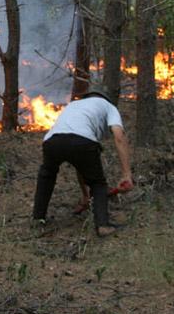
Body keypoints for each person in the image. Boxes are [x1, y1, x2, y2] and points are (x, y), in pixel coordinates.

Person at [32, 87, 132, 237]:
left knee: (47, 175)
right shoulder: (109, 106)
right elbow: (119, 136)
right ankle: (103, 226)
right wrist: (126, 174)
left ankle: (38, 218)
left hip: (52, 140)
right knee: (98, 183)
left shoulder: (73, 105)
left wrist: (85, 196)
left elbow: (80, 164)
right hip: (83, 142)